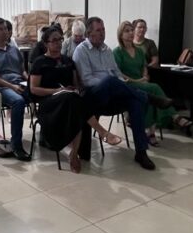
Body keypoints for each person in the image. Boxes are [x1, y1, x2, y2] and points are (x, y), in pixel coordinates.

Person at [73, 17, 173, 170]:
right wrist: (110, 83)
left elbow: (117, 73)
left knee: (134, 102)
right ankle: (148, 97)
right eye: (98, 30)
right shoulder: (81, 50)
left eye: (103, 29)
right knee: (109, 80)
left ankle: (141, 152)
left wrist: (117, 83)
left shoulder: (106, 50)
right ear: (89, 33)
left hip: (113, 93)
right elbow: (86, 80)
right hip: (93, 96)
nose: (102, 33)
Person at [30, 27, 122, 173]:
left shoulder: (68, 61)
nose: (59, 43)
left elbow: (76, 84)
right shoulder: (40, 62)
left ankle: (74, 153)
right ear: (46, 43)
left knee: (75, 101)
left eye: (60, 39)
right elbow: (34, 89)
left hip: (69, 100)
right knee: (74, 101)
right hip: (49, 104)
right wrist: (57, 91)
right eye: (54, 40)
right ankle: (102, 133)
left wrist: (75, 89)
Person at [113, 20, 188, 145]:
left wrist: (144, 76)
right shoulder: (117, 52)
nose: (131, 33)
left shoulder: (139, 51)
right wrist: (137, 80)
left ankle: (150, 132)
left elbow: (144, 67)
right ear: (120, 34)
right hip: (127, 84)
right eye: (127, 31)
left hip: (141, 83)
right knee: (154, 88)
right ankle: (174, 116)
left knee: (151, 97)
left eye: (131, 30)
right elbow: (118, 73)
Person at [0, 17, 32, 161]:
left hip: (20, 83)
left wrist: (30, 81)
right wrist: (12, 86)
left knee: (42, 94)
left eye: (5, 28)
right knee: (18, 101)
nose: (4, 32)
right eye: (0, 29)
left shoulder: (14, 50)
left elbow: (22, 70)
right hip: (2, 87)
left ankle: (47, 136)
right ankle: (16, 145)